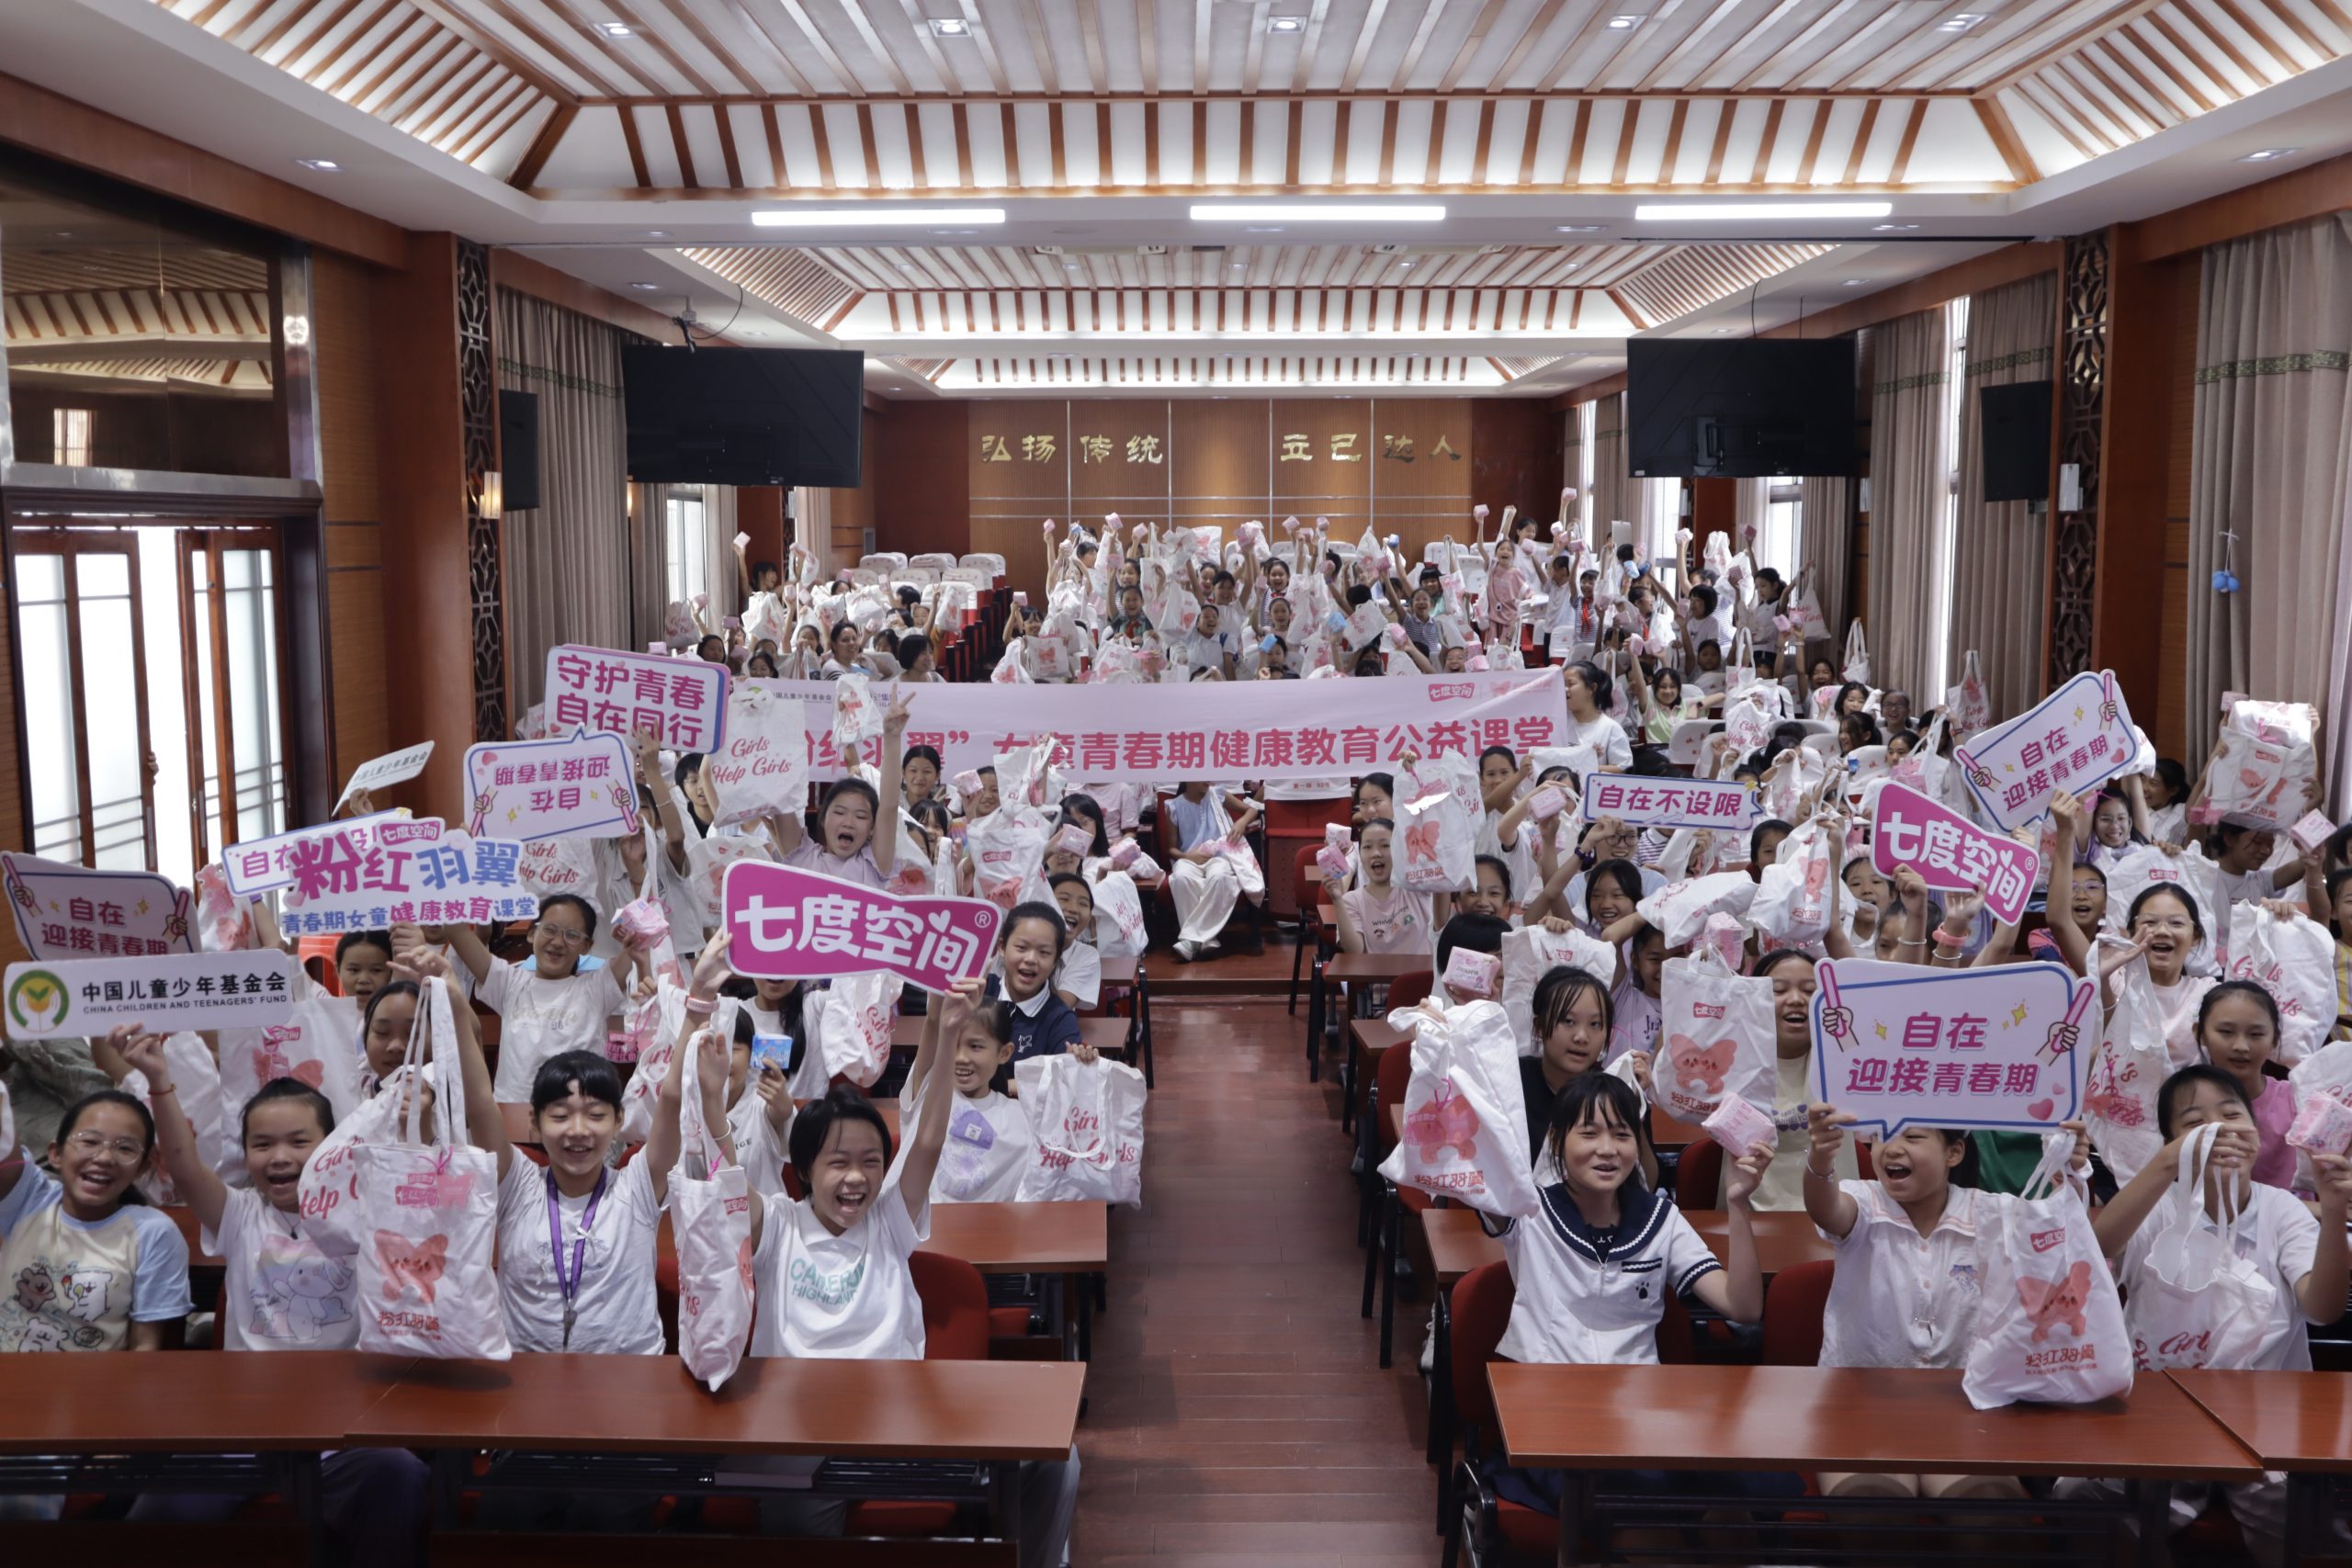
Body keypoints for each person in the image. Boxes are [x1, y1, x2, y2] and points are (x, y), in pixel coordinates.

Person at [739, 981, 1081, 1568]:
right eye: (838, 1163)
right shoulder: (777, 1223)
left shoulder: (890, 1219)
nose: (856, 1179)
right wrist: (702, 1088)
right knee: (795, 1517)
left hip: (897, 1422)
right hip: (803, 1427)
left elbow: (928, 1139)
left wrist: (945, 1036)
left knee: (1057, 1460)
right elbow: (718, 1179)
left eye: (871, 1162)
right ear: (805, 1168)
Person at [108, 1033, 429, 1563]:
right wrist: (159, 1079)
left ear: (331, 1148)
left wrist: (419, 1118)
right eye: (262, 1144)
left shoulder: (369, 1216)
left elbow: (422, 1184)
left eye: (300, 1142)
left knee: (398, 1474)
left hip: (343, 1431)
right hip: (244, 1427)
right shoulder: (239, 1214)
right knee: (157, 1515)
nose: (280, 1157)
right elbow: (184, 1165)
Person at [2068, 1064, 2352, 1565]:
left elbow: (2323, 1309)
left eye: (2230, 1115)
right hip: (2161, 1417)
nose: (2218, 1130)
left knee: (2301, 1521)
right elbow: (2097, 1251)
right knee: (2083, 1500)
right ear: (2171, 1144)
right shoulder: (2156, 1205)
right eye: (2195, 1123)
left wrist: (2332, 1212)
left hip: (2267, 1423)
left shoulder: (2281, 1209)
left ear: (2256, 1131)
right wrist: (2166, 1164)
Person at [1464, 1075, 1767, 1515]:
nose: (1607, 1150)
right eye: (1589, 1133)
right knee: (1633, 1508)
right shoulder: (1528, 1210)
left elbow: (1743, 1307)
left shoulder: (1660, 1218)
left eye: (1622, 1135)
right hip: (1548, 1412)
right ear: (1557, 1141)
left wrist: (1738, 1204)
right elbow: (1478, 1174)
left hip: (1639, 1413)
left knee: (1735, 1489)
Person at [1803, 1103, 2088, 1507]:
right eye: (1882, 1137)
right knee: (1873, 1504)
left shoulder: (1991, 1211)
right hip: (1861, 1409)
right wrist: (1820, 1160)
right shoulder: (1862, 1200)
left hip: (1963, 1411)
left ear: (1953, 1152)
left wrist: (2070, 1175)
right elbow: (1826, 1209)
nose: (1891, 1148)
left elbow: (2065, 1241)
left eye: (1913, 1137)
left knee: (1988, 1505)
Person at [1, 1089, 191, 1354]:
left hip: (95, 1379)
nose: (104, 1158)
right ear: (56, 1153)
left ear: (142, 1167)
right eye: (89, 1141)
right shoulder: (29, 1197)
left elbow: (145, 1346)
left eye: (125, 1148)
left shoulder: (153, 1233)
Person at [445, 894, 640, 1104]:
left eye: (572, 935)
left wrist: (630, 932)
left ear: (586, 946)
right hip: (514, 1114)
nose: (558, 942)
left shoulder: (597, 988)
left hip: (577, 1116)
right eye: (549, 929)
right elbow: (456, 930)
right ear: (531, 933)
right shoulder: (508, 983)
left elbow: (641, 938)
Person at [773, 685, 912, 886]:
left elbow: (889, 807)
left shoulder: (874, 864)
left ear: (872, 828)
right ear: (823, 817)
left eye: (861, 816)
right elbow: (780, 796)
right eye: (839, 812)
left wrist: (892, 737)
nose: (849, 822)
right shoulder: (802, 857)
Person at [1164, 780, 1259, 963]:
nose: (1209, 780)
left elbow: (1252, 810)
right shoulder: (1174, 806)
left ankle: (1192, 941)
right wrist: (1188, 856)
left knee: (1220, 877)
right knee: (1180, 878)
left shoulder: (1217, 793)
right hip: (1189, 858)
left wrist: (1241, 822)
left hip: (1220, 856)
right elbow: (1171, 849)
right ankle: (1206, 940)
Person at [989, 902, 1090, 1067]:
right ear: (1002, 947)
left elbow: (1061, 1077)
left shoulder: (1060, 1020)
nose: (1031, 959)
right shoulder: (979, 992)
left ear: (1055, 960)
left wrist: (1080, 1065)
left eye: (1044, 952)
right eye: (1021, 947)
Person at [1334, 818, 1429, 957]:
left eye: (1385, 845)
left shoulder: (1418, 888)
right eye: (1367, 847)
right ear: (1360, 855)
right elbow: (1355, 952)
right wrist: (1337, 900)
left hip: (1421, 972)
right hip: (1375, 972)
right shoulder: (1351, 901)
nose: (1376, 853)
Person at [1561, 661, 1634, 770]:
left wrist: (1585, 765)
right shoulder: (1558, 723)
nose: (1565, 689)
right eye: (1562, 685)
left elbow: (1622, 767)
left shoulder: (1610, 728)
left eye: (1570, 684)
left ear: (1592, 688)